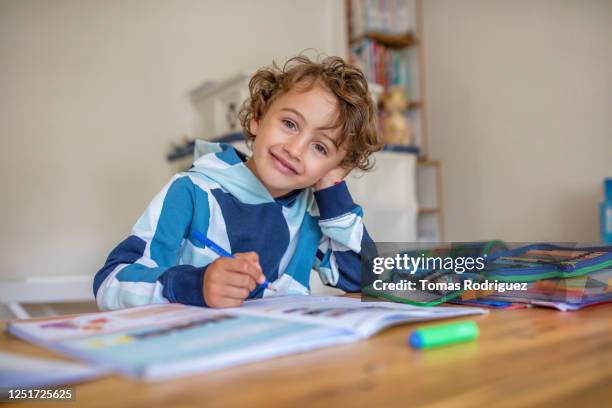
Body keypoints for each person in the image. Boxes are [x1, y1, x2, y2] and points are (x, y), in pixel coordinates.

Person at [93, 54, 381, 309]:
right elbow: (110, 282)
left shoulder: (312, 214)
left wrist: (333, 193)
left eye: (320, 148)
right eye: (289, 124)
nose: (294, 150)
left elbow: (374, 280)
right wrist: (195, 284)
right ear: (258, 117)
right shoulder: (191, 191)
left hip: (277, 358)